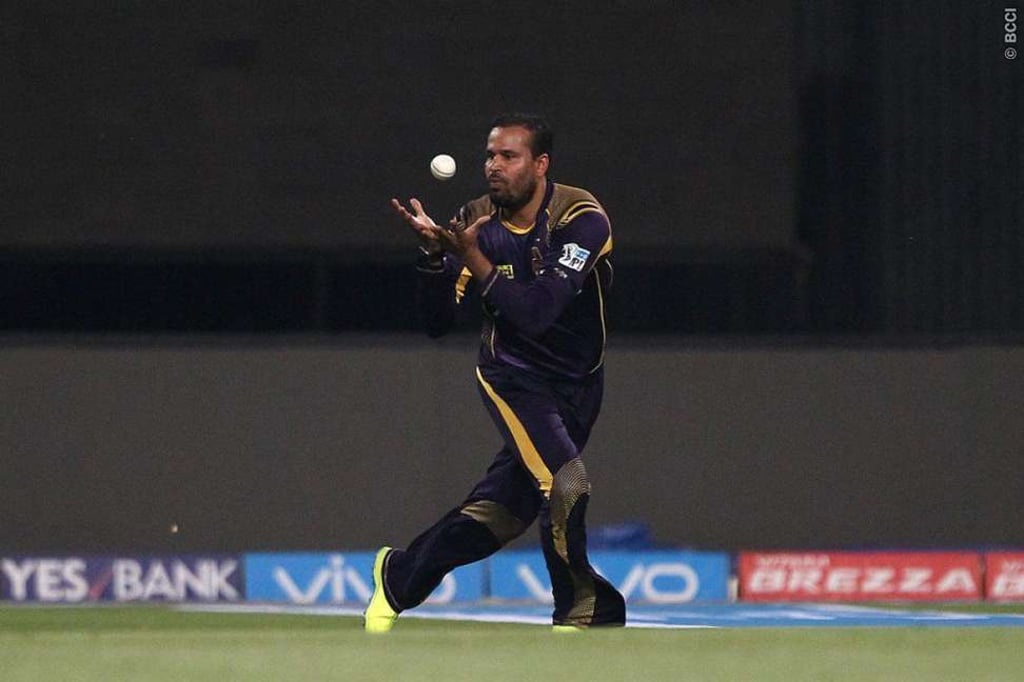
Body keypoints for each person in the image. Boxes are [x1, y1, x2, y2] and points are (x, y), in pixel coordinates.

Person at [366, 113, 625, 632]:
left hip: (579, 382)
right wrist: (432, 257)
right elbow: (439, 324)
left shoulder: (581, 218)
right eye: (490, 155)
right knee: (567, 483)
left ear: (540, 164)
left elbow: (537, 312)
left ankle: (399, 576)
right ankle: (583, 610)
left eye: (509, 156)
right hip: (512, 376)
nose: (494, 166)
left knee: (503, 513)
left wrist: (473, 258)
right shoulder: (475, 221)